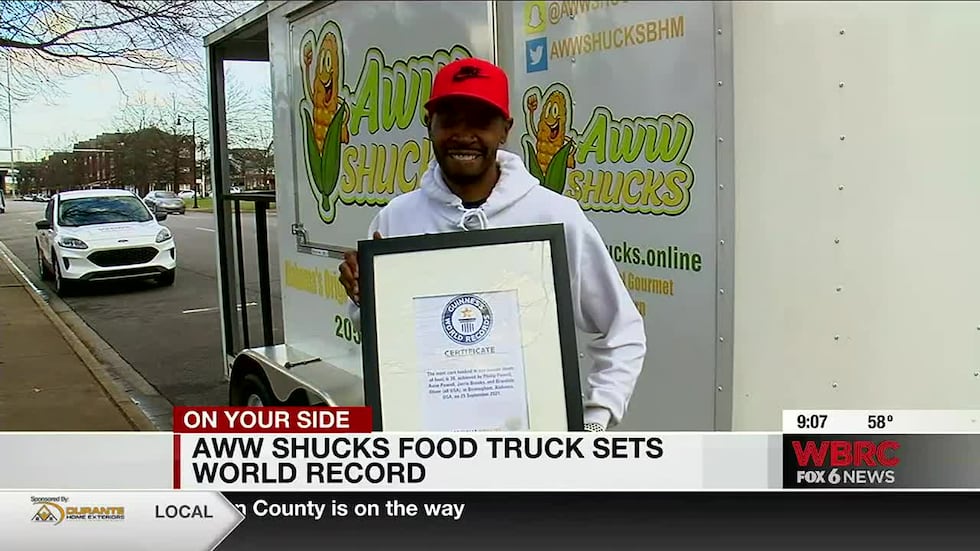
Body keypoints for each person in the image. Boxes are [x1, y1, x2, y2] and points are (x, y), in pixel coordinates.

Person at [339, 57, 646, 432]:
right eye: (450, 119)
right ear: (429, 125)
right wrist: (363, 301)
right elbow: (384, 338)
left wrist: (595, 420)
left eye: (481, 121)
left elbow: (622, 330)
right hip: (433, 444)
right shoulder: (396, 219)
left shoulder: (555, 216)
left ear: (505, 130)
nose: (463, 134)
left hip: (532, 453)